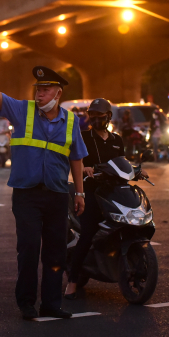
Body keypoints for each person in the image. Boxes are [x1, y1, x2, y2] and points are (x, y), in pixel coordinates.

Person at [0, 55, 87, 321]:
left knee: (56, 251)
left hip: (57, 194)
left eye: (45, 89)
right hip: (27, 194)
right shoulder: (22, 110)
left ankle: (51, 303)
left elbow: (76, 158)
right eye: (37, 89)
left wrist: (81, 193)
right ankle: (26, 302)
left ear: (58, 93)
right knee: (29, 248)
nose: (39, 94)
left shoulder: (71, 122)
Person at [65, 98, 124, 299]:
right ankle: (72, 281)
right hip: (90, 192)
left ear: (108, 117)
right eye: (93, 116)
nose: (96, 120)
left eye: (100, 116)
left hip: (114, 192)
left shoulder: (117, 140)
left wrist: (137, 171)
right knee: (88, 233)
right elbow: (74, 161)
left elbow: (122, 163)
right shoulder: (83, 138)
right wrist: (84, 168)